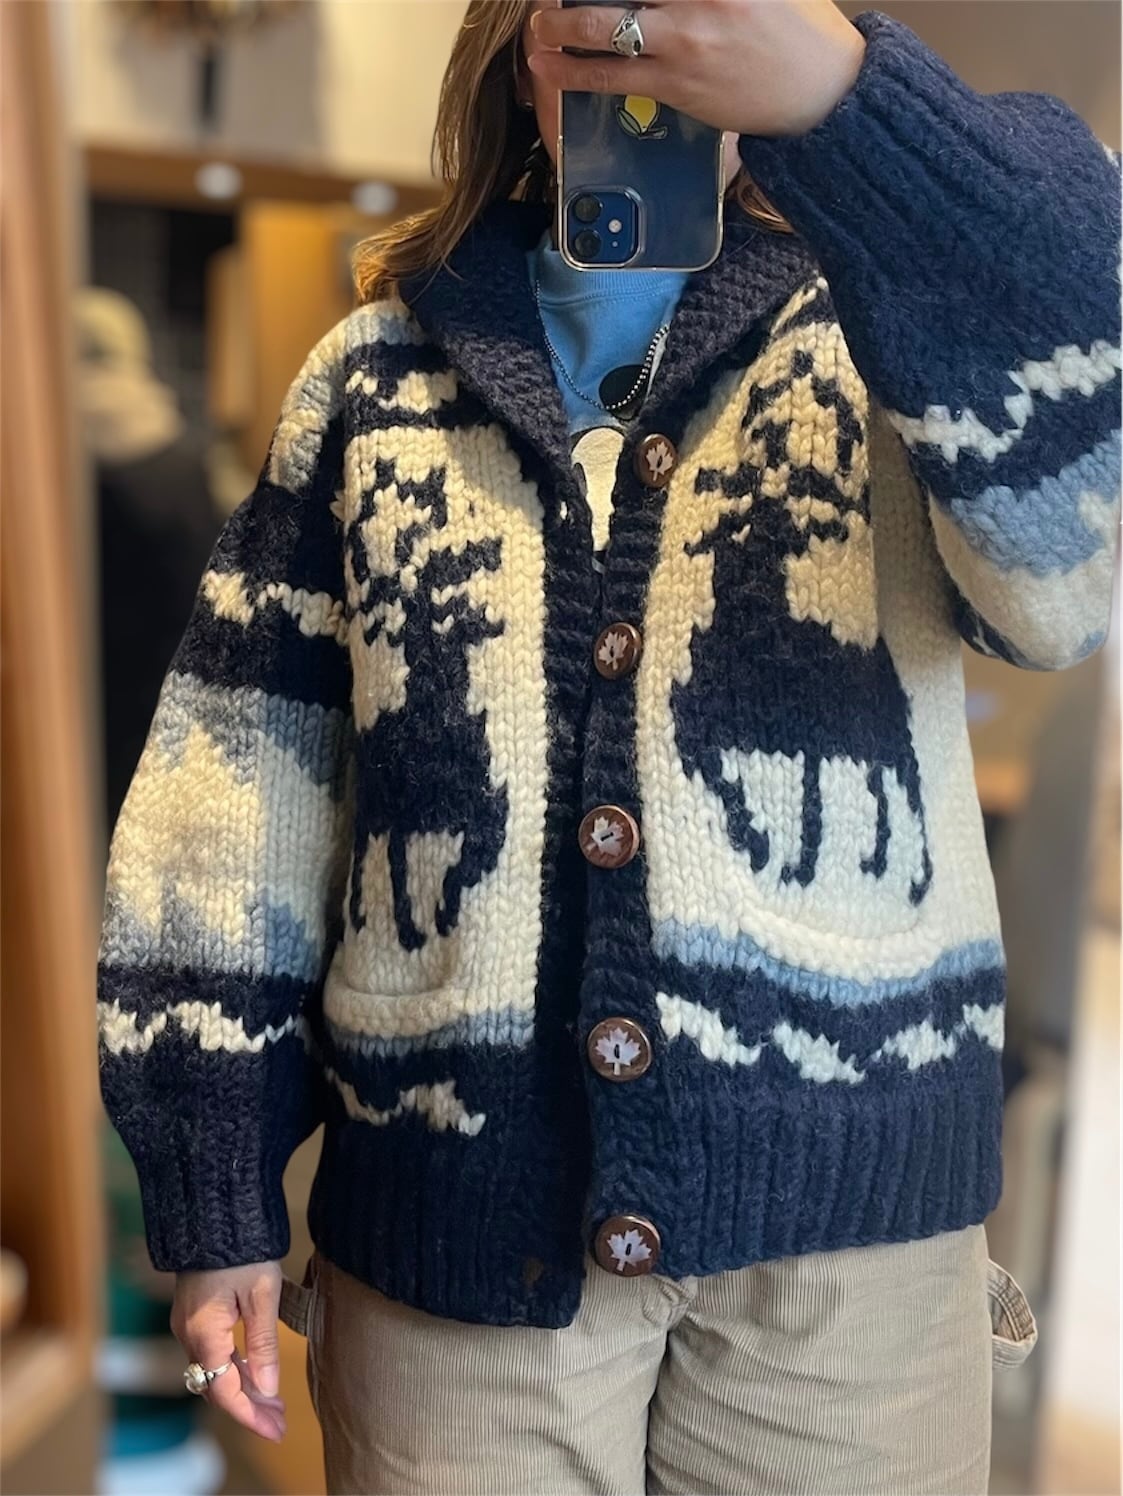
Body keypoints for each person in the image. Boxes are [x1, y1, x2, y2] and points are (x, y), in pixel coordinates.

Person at [94, 3, 1120, 1492]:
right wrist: (215, 1184)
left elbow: (1062, 586)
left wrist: (845, 99)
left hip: (851, 1252)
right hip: (453, 1238)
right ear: (522, 43)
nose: (652, 30)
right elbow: (235, 793)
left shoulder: (892, 339)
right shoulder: (370, 381)